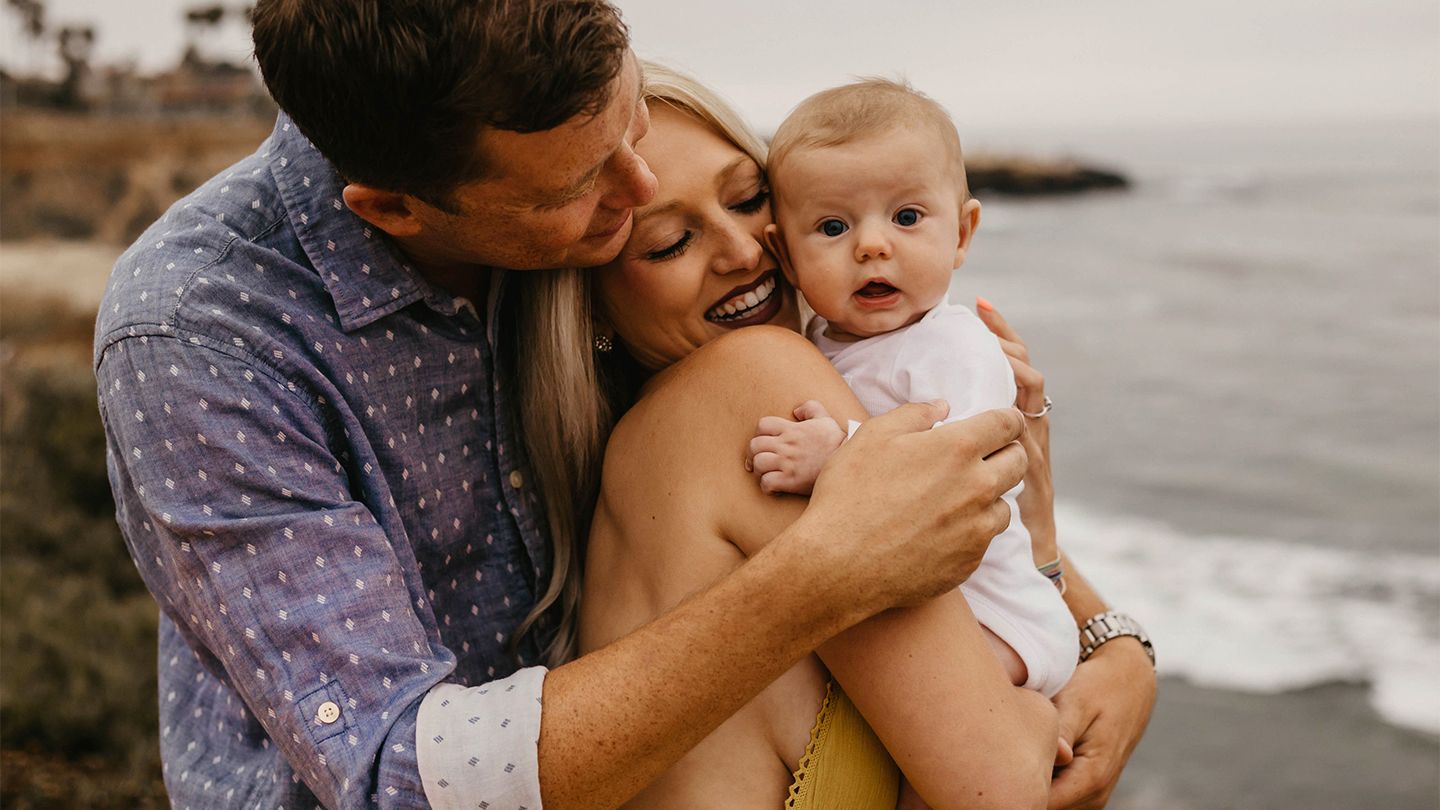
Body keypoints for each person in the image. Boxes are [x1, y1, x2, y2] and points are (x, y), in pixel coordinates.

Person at [89, 2, 1153, 808]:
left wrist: (1109, 638)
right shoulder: (200, 334)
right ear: (397, 209)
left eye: (744, 195)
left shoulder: (615, 238)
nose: (638, 189)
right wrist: (827, 570)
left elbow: (953, 529)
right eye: (590, 195)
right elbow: (387, 771)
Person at [567, 65, 1157, 807]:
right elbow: (1008, 782)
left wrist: (1115, 640)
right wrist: (1070, 615)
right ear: (589, 301)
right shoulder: (754, 378)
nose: (747, 253)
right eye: (668, 242)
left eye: (749, 201)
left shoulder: (661, 436)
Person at [748, 78, 1079, 700]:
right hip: (928, 602)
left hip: (1004, 620)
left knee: (936, 741)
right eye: (832, 226)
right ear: (786, 259)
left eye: (906, 217)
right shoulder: (815, 344)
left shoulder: (954, 345)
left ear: (960, 233)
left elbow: (962, 471)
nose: (872, 245)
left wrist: (835, 453)